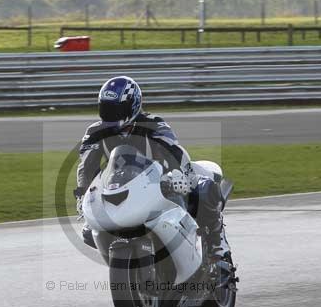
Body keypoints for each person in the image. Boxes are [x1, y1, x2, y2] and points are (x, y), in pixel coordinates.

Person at [74, 76, 230, 262]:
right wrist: (83, 195)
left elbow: (176, 152)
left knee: (204, 189)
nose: (110, 114)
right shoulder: (94, 132)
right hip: (122, 189)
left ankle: (217, 245)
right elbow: (86, 166)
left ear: (132, 105)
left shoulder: (154, 124)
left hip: (161, 185)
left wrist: (182, 178)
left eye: (116, 109)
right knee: (89, 231)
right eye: (106, 108)